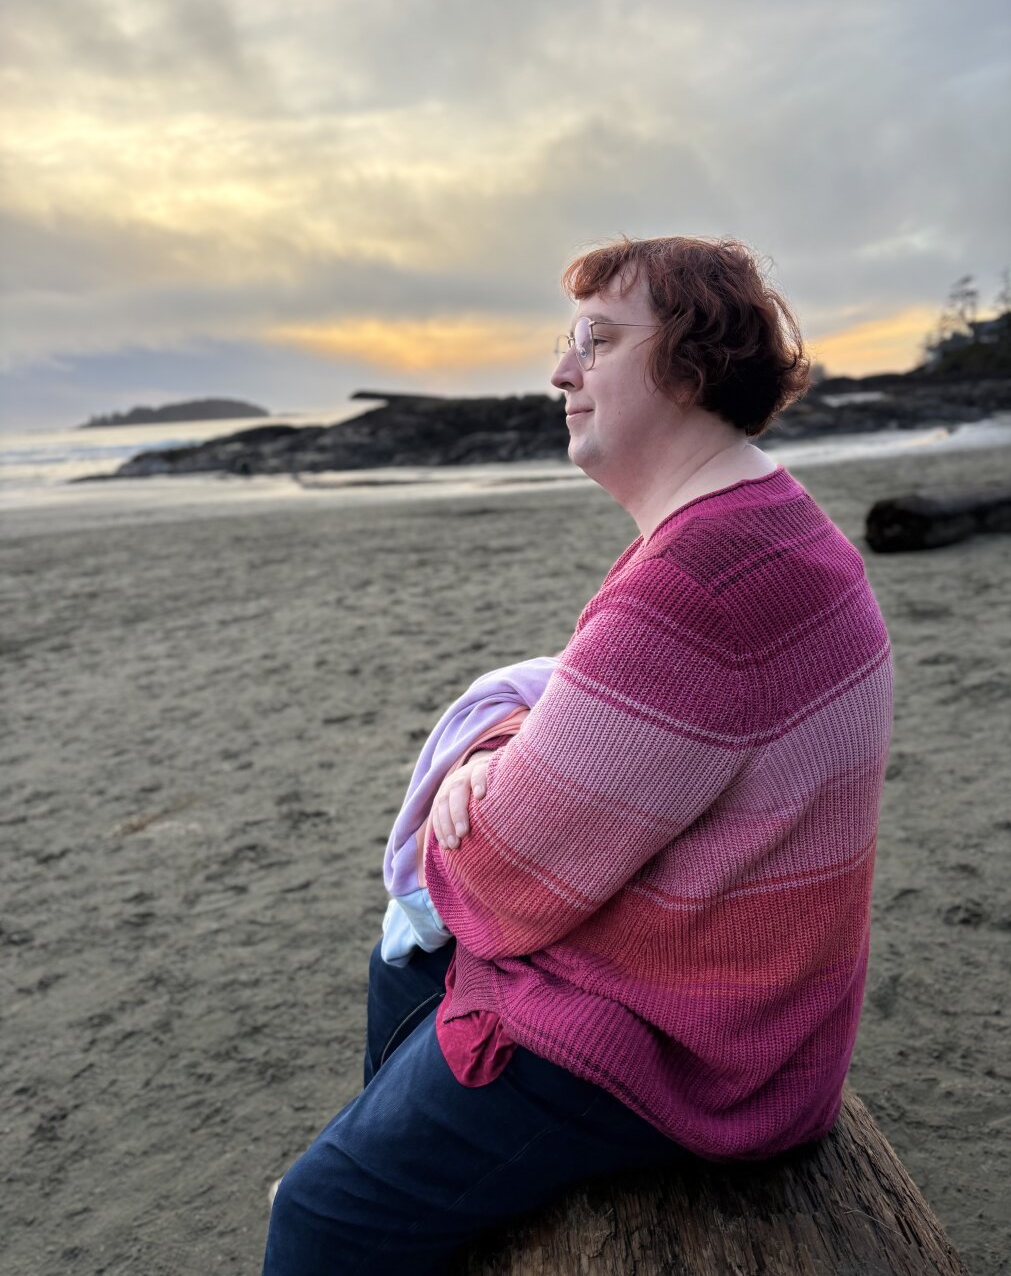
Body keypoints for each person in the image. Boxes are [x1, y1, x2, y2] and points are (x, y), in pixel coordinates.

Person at [262, 236, 894, 1275]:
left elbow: (500, 879)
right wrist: (504, 748)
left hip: (686, 1042)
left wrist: (480, 760)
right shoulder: (768, 527)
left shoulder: (699, 580)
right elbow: (629, 730)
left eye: (596, 342)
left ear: (691, 366)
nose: (560, 371)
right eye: (567, 342)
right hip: (756, 999)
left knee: (319, 1217)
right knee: (409, 955)